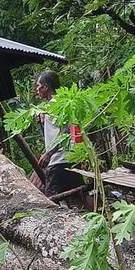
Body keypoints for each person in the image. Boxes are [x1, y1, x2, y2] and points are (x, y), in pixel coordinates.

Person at [35, 70, 85, 198]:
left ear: (45, 87)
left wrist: (49, 153)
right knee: (79, 196)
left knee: (52, 201)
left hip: (58, 160)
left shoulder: (55, 106)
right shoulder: (57, 104)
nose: (37, 89)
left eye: (38, 85)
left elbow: (66, 130)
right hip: (69, 158)